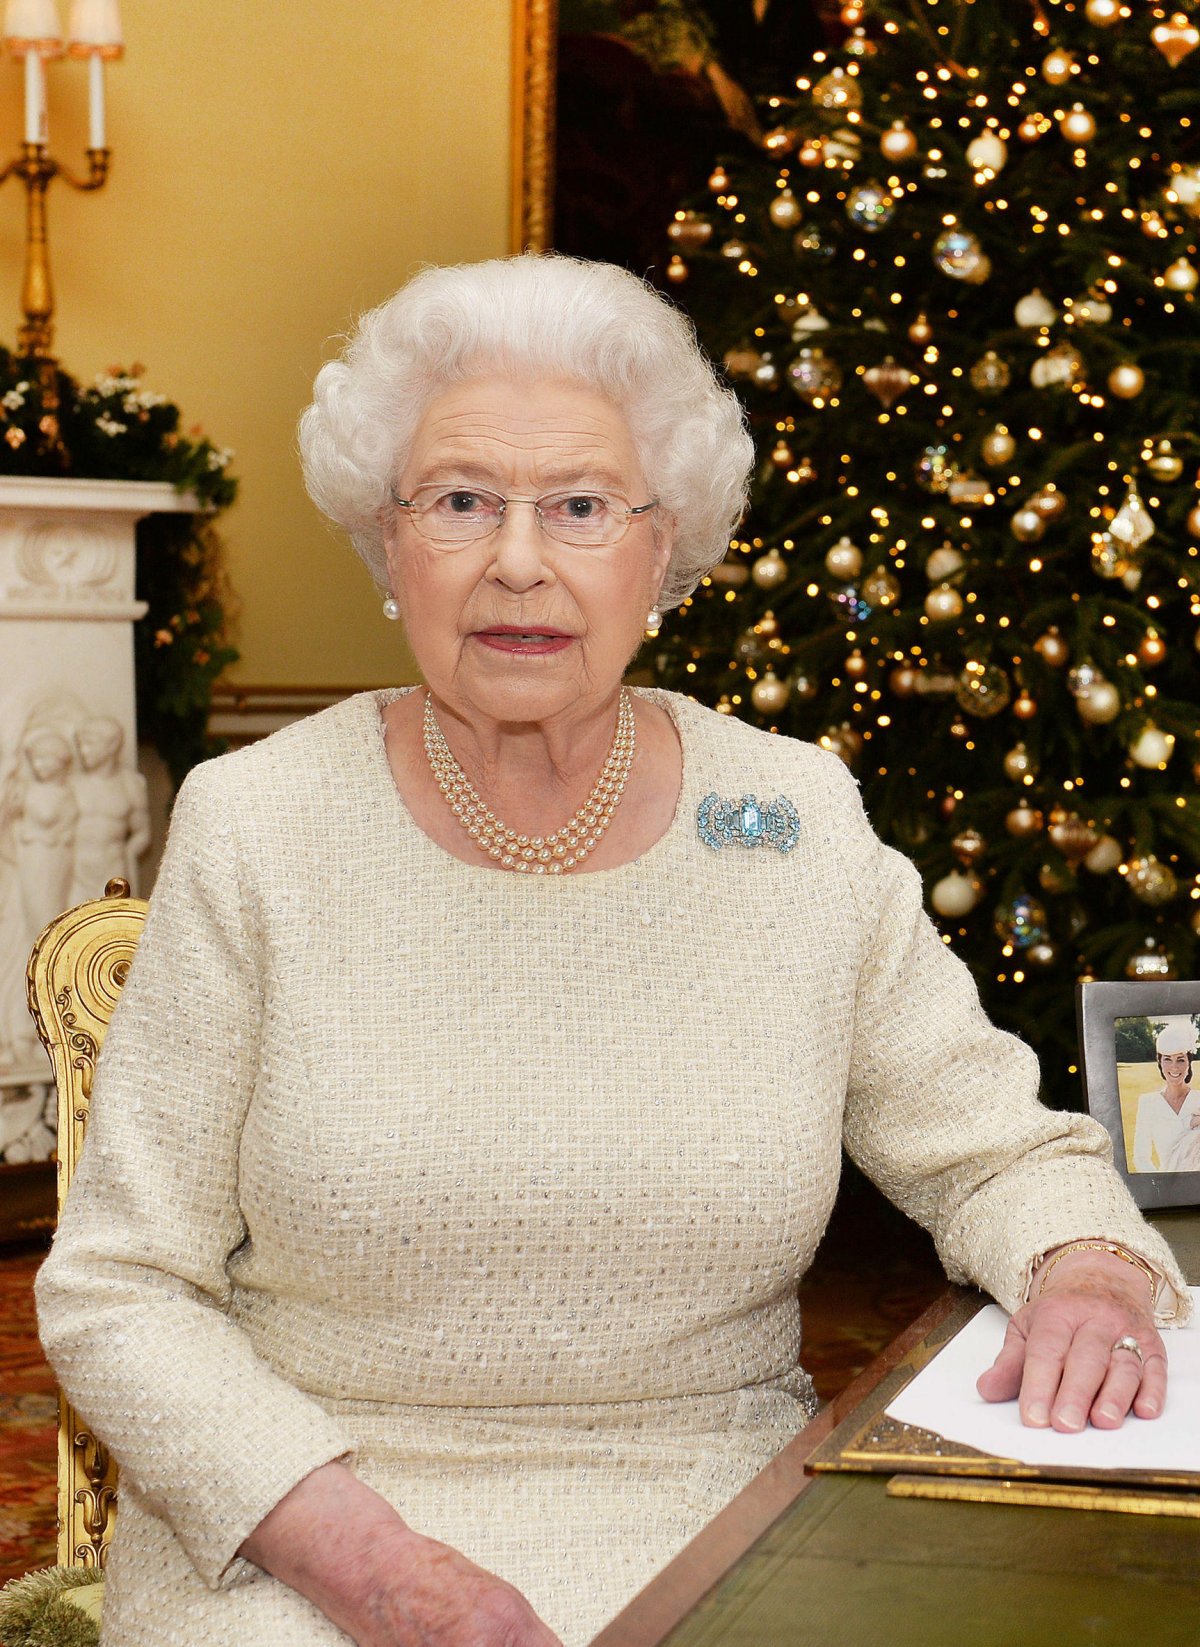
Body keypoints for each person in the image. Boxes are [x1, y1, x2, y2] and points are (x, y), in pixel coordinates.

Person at [36, 254, 1189, 1647]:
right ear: (388, 542)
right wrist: (378, 1568)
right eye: (461, 501)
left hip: (718, 1513)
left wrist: (1085, 1272)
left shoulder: (789, 821)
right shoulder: (259, 823)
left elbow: (999, 1153)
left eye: (581, 506)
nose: (519, 559)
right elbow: (122, 1285)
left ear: (666, 549)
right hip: (302, 1536)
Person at [1133, 1019, 1200, 1172]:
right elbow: (1141, 1158)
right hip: (1164, 1183)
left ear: (1189, 1063)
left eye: (1180, 1060)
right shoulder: (1148, 1103)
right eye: (1167, 1059)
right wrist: (1162, 1184)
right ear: (1160, 1063)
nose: (1174, 1067)